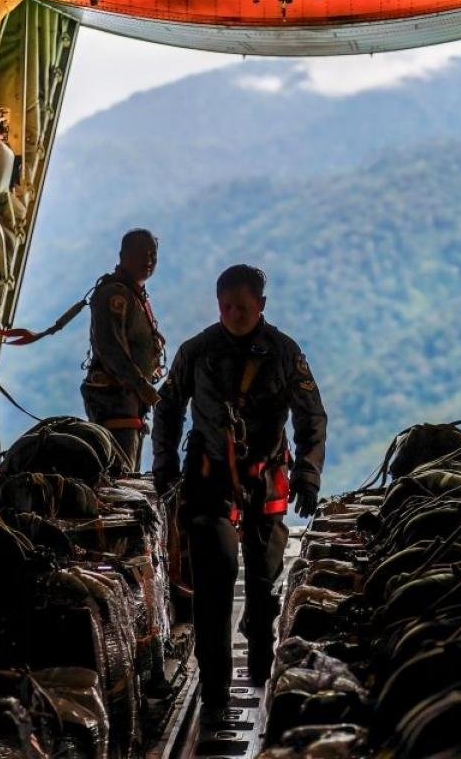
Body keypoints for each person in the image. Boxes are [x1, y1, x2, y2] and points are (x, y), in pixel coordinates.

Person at [152, 264, 327, 715]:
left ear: (262, 307)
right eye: (227, 307)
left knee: (264, 585)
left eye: (243, 308)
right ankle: (214, 691)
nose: (234, 315)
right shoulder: (197, 352)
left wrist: (308, 474)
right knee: (214, 580)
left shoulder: (286, 354)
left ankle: (261, 662)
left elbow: (311, 417)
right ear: (218, 304)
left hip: (266, 480)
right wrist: (165, 465)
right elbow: (168, 407)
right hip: (210, 480)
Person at [81, 229, 165, 471]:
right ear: (123, 255)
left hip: (130, 402)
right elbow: (111, 349)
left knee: (127, 473)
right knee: (119, 478)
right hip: (115, 401)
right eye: (142, 254)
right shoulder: (114, 295)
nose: (148, 260)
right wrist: (141, 385)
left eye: (153, 255)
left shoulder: (134, 295)